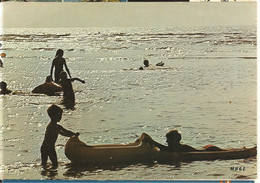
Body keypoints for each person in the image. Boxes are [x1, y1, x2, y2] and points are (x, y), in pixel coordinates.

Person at [147, 130, 222, 152]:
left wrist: (153, 142)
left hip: (210, 149)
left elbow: (166, 149)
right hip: (205, 147)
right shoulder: (176, 147)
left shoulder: (181, 148)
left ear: (175, 141)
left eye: (168, 140)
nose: (166, 142)